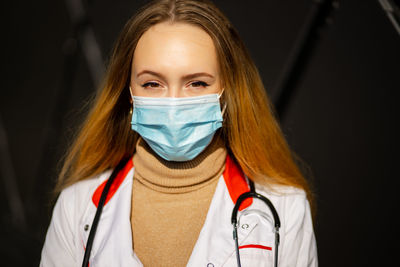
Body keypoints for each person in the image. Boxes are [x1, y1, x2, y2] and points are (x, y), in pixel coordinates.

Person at [40, 0, 318, 266]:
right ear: (128, 93)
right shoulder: (76, 208)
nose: (173, 102)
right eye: (152, 84)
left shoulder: (285, 209)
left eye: (196, 83)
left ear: (227, 93)